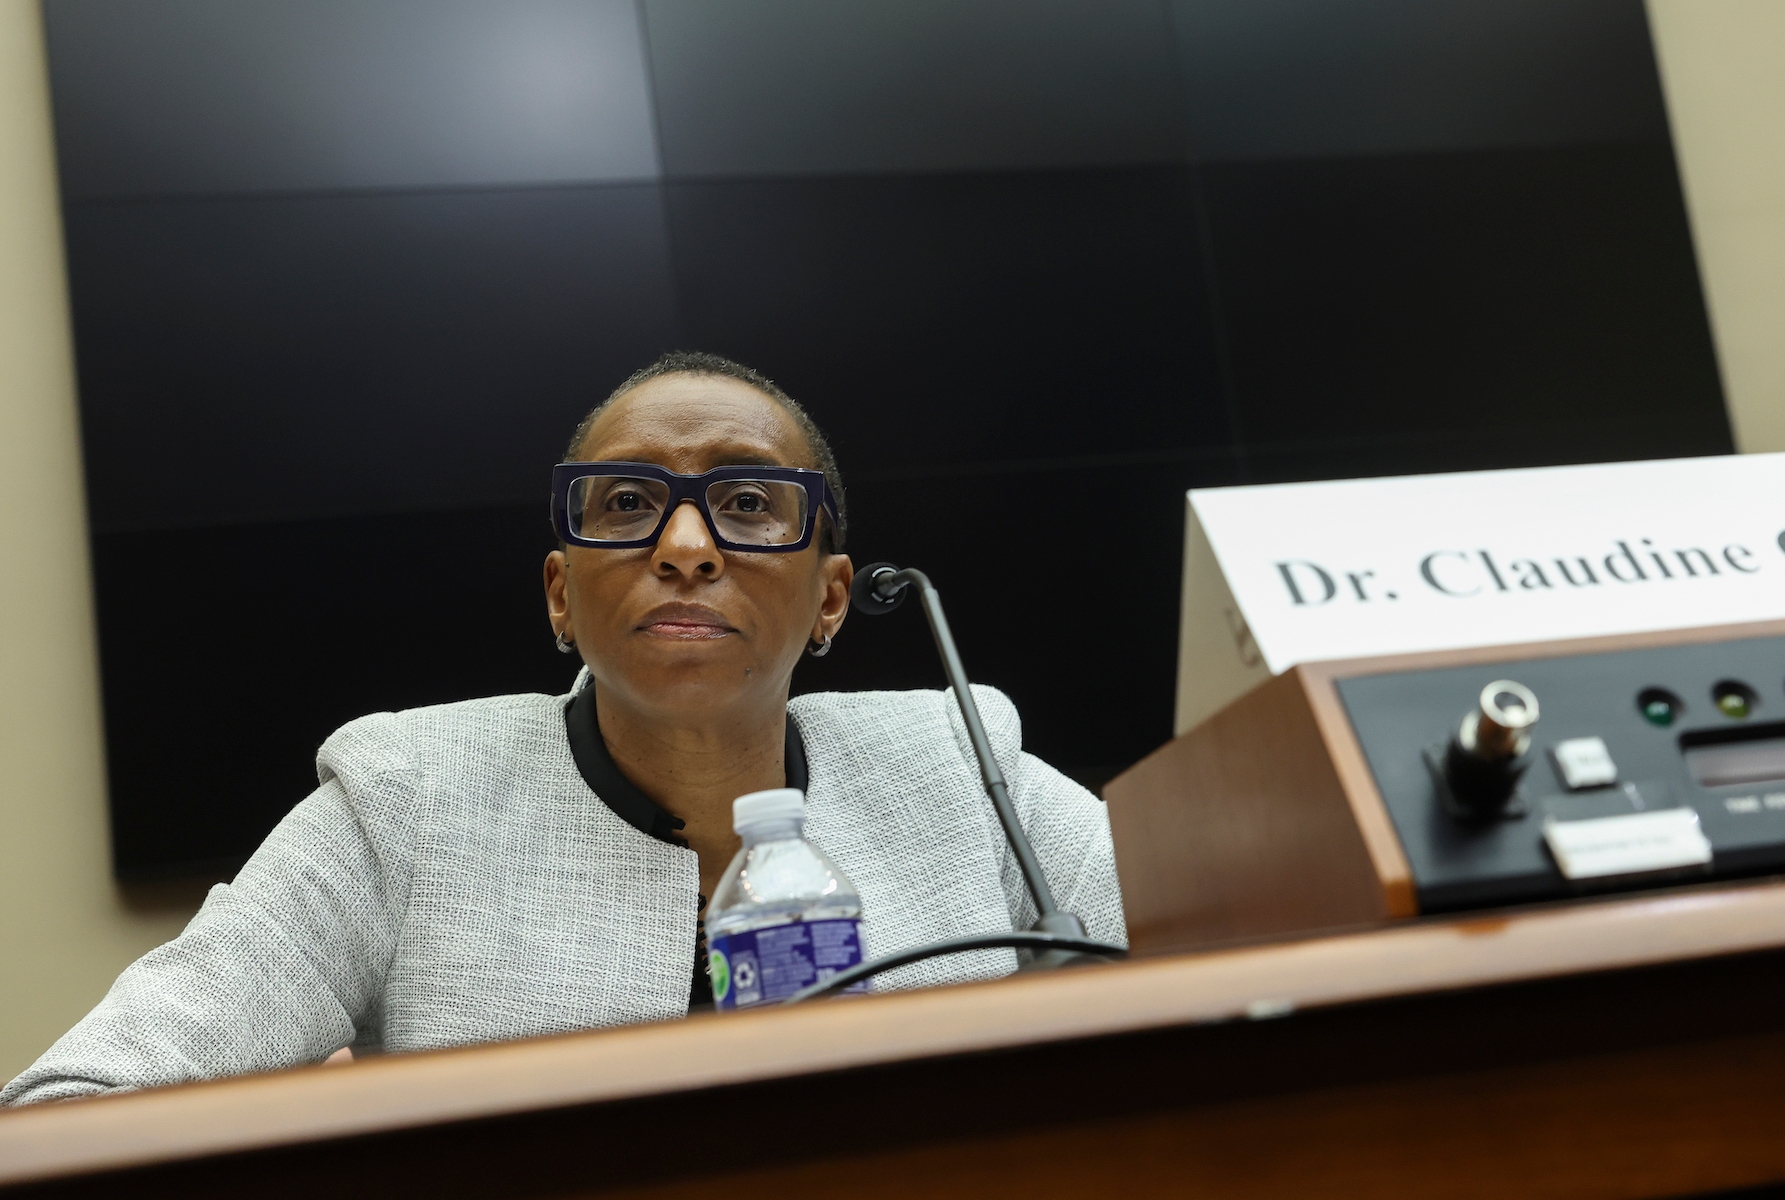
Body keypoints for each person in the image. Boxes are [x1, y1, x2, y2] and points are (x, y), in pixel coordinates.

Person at [3, 352, 1125, 1105]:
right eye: (627, 503)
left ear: (832, 598)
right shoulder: (404, 802)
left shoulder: (963, 764)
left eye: (747, 503)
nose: (686, 545)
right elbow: (73, 1109)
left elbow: (1252, 968)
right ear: (559, 594)